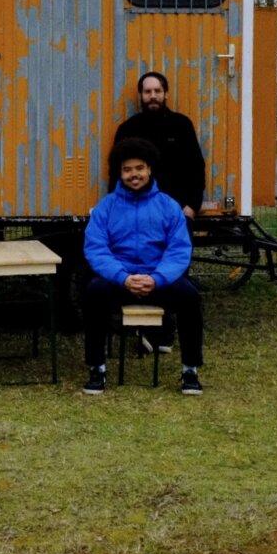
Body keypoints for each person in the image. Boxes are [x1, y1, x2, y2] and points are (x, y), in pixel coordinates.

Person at [81, 137, 205, 396]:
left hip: (158, 282)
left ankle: (190, 371)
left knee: (190, 296)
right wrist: (123, 278)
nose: (134, 174)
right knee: (93, 291)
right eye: (127, 169)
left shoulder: (169, 207)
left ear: (150, 169)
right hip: (120, 283)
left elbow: (179, 250)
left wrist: (157, 278)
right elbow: (96, 249)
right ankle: (96, 369)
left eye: (139, 168)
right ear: (120, 173)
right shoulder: (105, 208)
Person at [113, 71, 205, 220]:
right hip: (137, 212)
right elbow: (116, 171)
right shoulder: (128, 129)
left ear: (166, 94)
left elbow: (196, 166)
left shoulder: (181, 125)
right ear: (141, 95)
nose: (153, 96)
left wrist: (192, 206)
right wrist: (119, 208)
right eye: (147, 91)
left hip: (177, 211)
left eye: (157, 91)